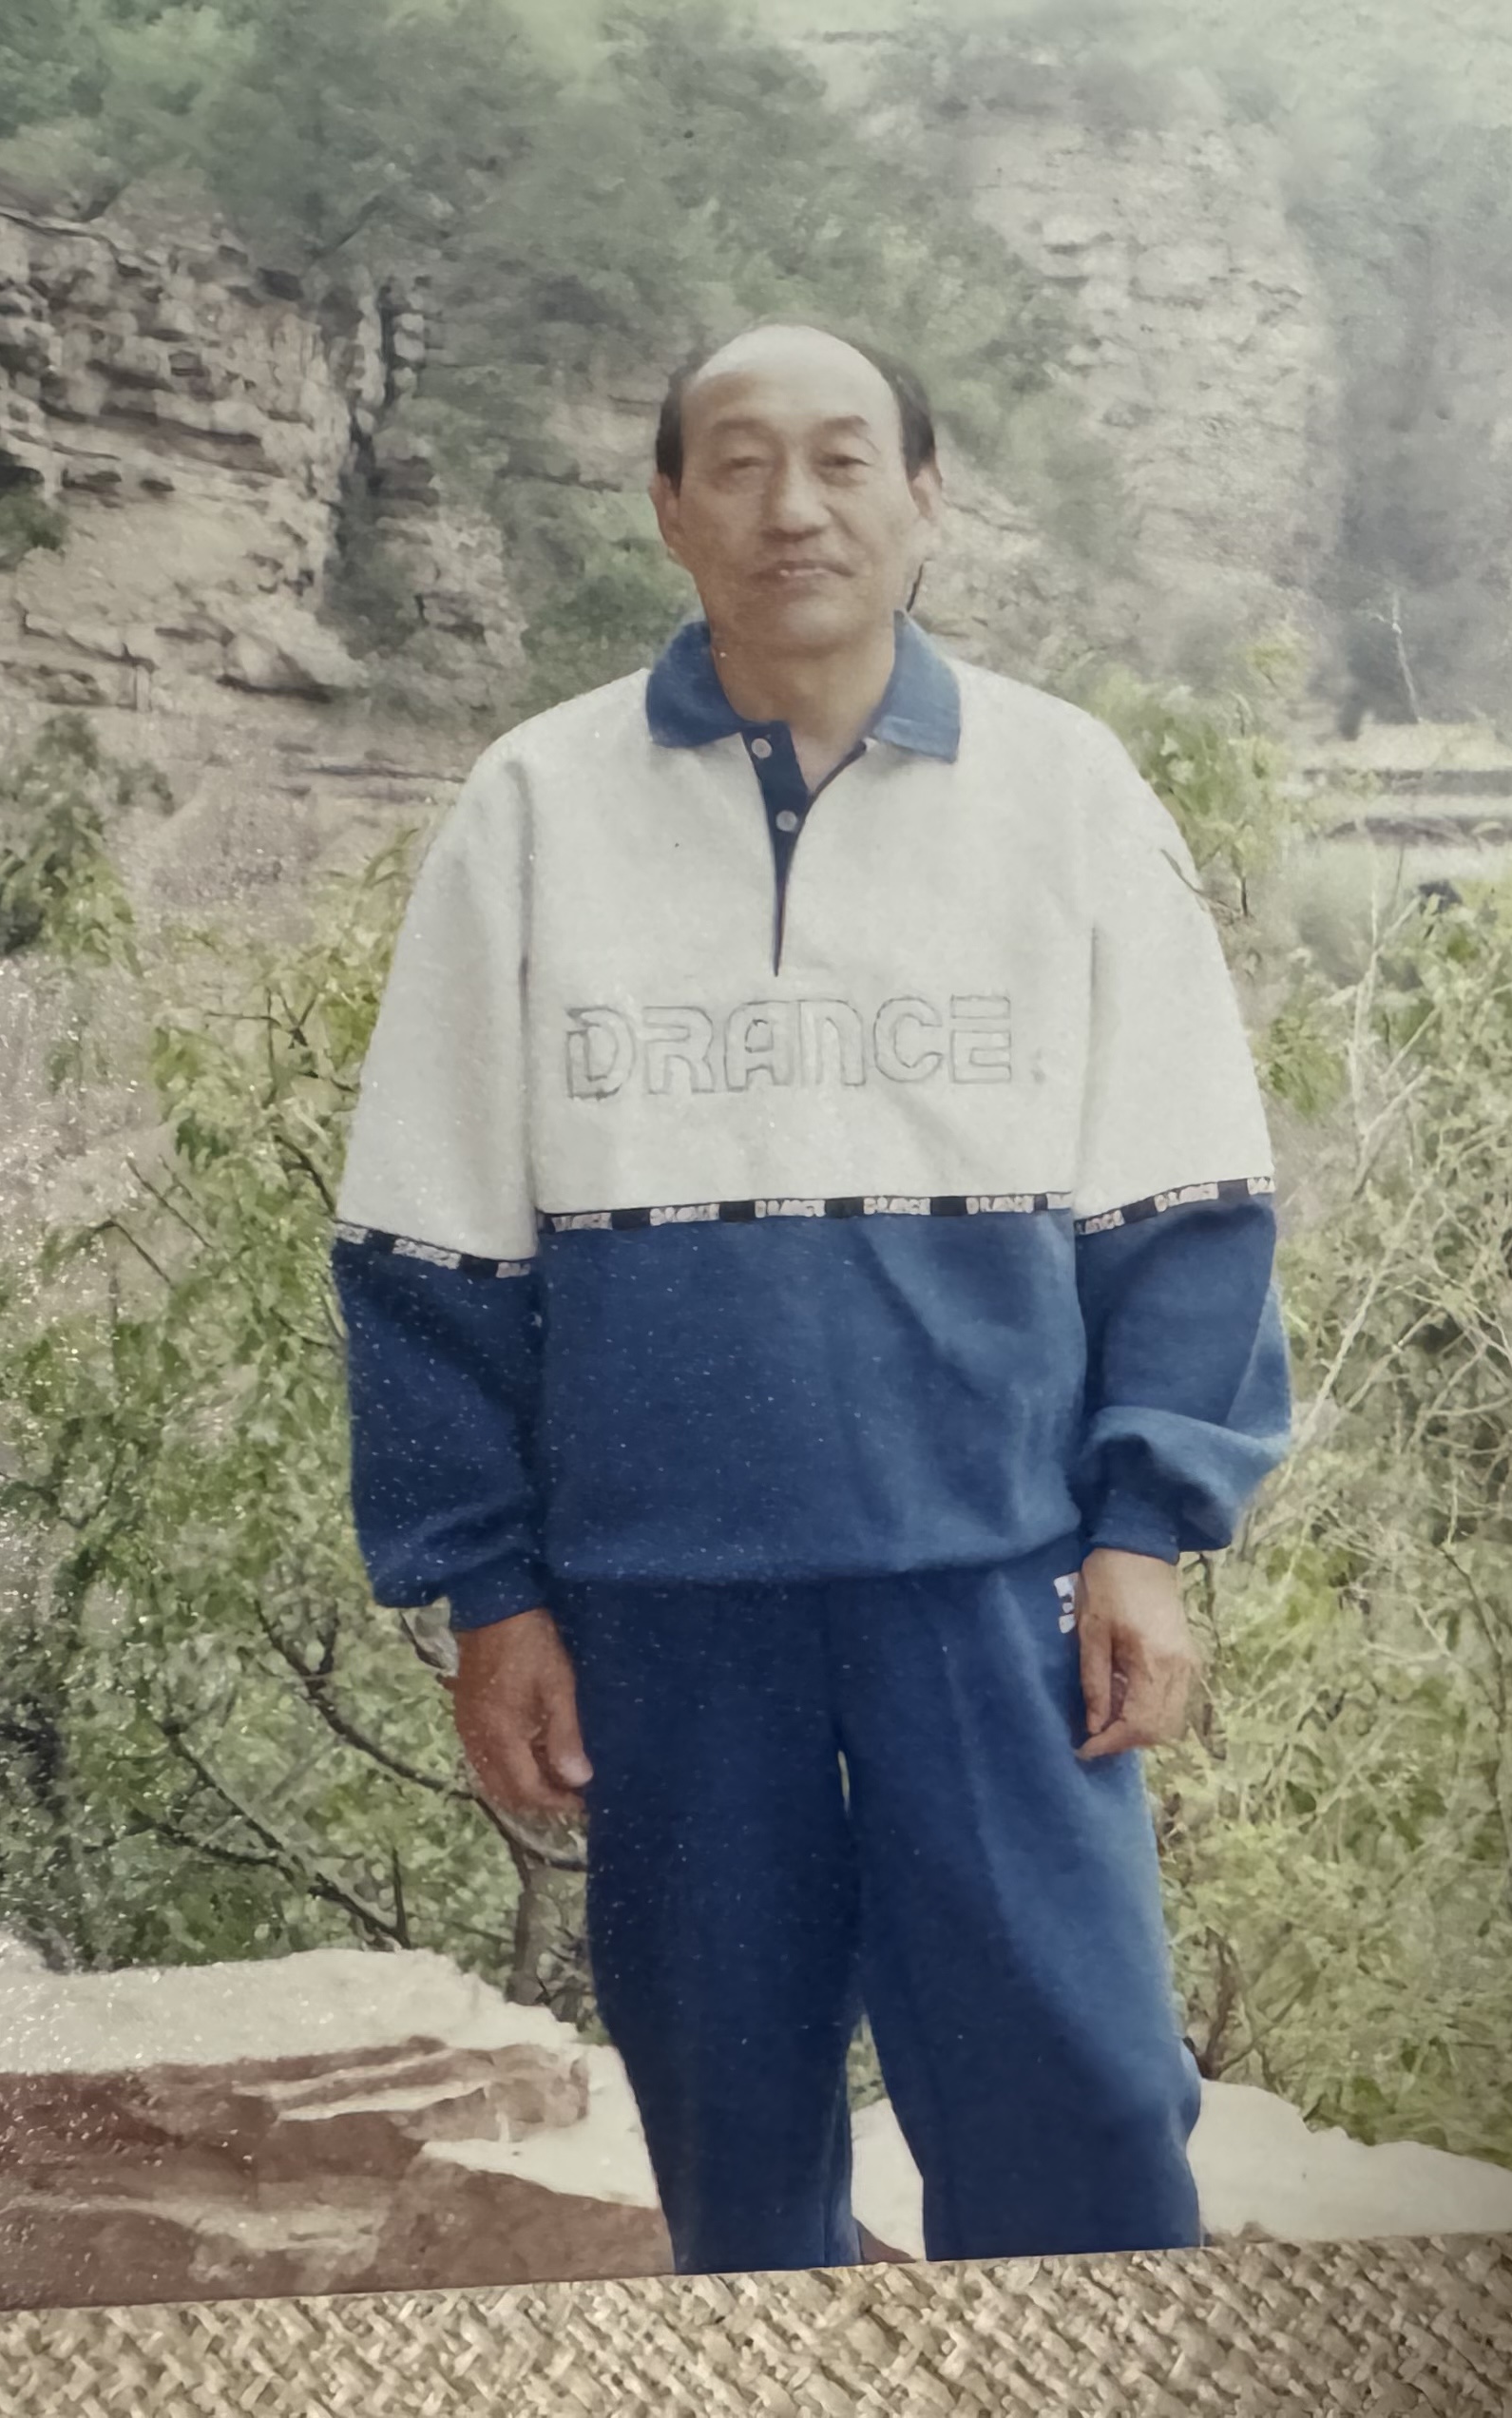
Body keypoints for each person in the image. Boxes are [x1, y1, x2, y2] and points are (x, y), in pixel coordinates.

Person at [331, 318, 1292, 2274]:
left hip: (997, 1581)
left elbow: (1186, 1192)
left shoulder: (1069, 790)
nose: (796, 507)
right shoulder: (535, 805)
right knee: (734, 2141)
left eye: (847, 459)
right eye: (741, 463)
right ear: (670, 509)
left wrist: (1146, 1532)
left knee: (1089, 2112)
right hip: (663, 1602)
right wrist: (493, 1592)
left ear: (929, 499)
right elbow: (425, 1229)